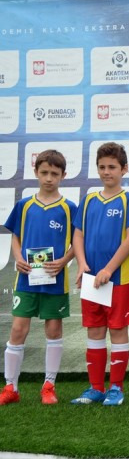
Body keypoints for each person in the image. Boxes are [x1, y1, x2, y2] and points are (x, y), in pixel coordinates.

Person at [0, 150, 76, 406]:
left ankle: (49, 386)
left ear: (63, 175)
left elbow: (78, 241)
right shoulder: (25, 205)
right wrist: (18, 257)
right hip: (26, 279)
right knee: (18, 329)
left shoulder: (69, 208)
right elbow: (16, 236)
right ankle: (11, 387)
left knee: (53, 330)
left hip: (55, 280)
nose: (49, 178)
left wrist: (64, 261)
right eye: (44, 172)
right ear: (36, 172)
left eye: (54, 173)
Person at [71, 142, 129, 406]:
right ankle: (95, 388)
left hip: (119, 278)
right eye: (102, 167)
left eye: (112, 167)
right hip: (92, 278)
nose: (106, 172)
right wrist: (82, 264)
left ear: (124, 169)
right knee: (95, 330)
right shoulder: (89, 200)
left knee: (118, 330)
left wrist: (109, 269)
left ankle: (116, 388)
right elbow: (78, 235)